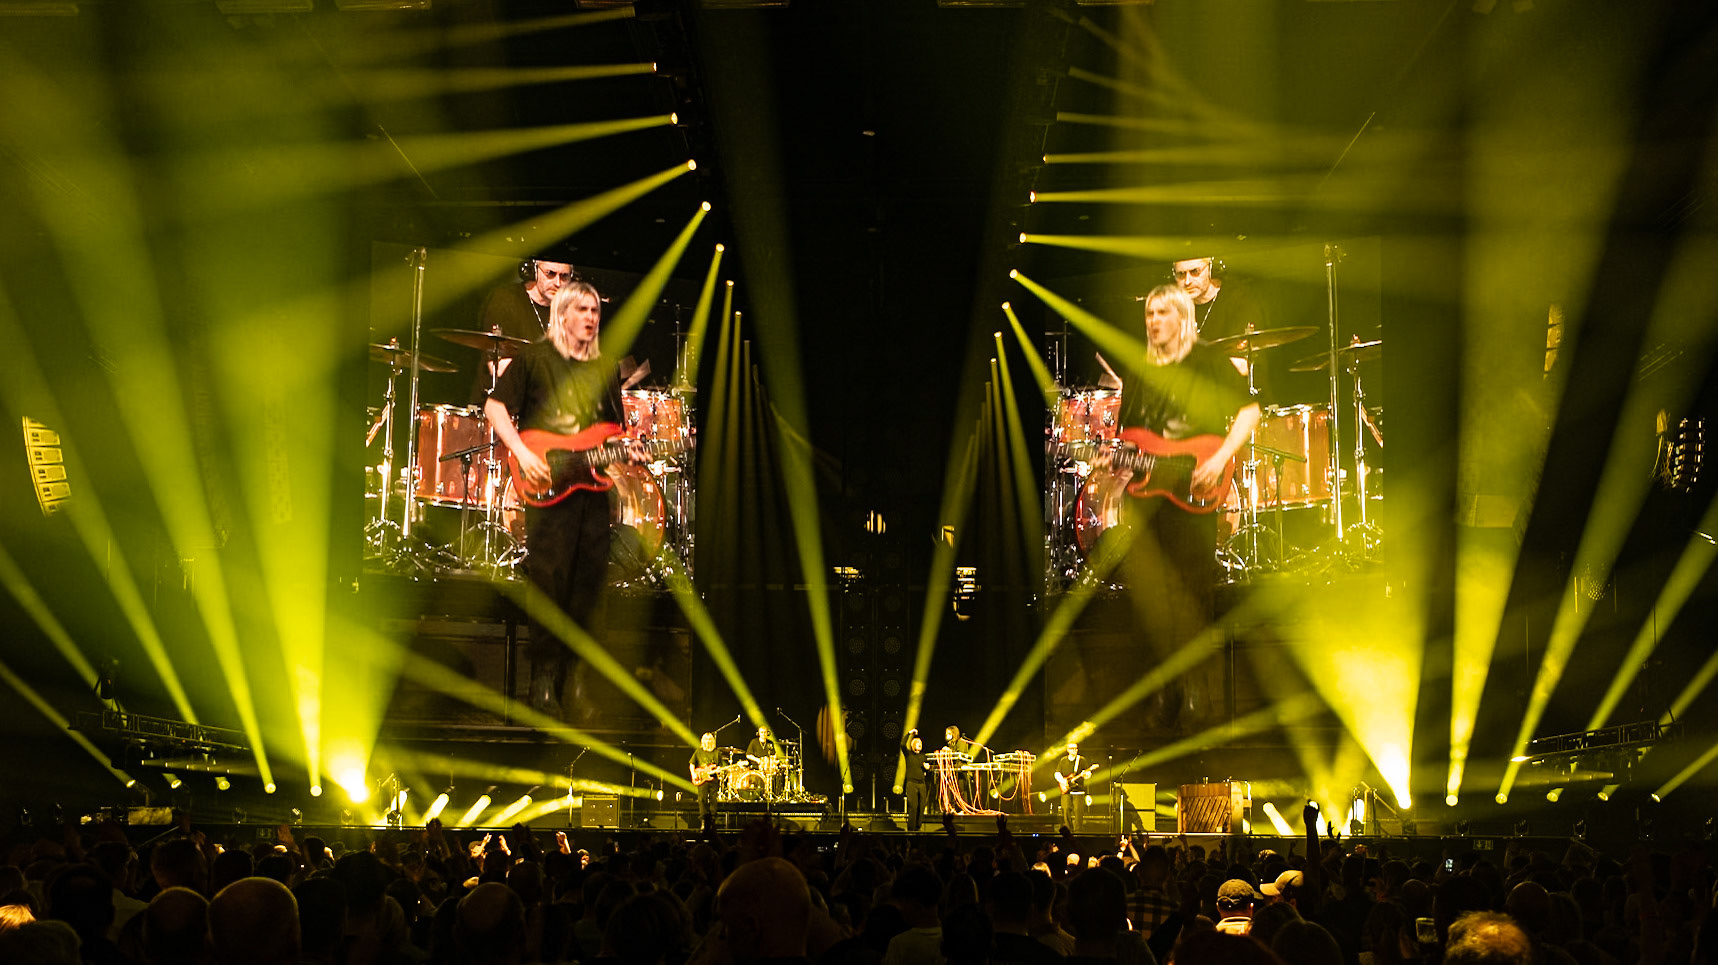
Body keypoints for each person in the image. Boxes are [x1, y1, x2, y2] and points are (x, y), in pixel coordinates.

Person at [1102, 285, 1261, 728]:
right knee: (1152, 593)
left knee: (1192, 590)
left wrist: (1220, 458)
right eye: (1149, 314)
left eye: (1162, 313)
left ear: (1182, 317)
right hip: (1147, 495)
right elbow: (1129, 439)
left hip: (1194, 485)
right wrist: (1110, 461)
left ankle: (1195, 690)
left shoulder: (1207, 360)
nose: (1153, 321)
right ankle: (1163, 690)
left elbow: (1250, 411)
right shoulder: (1138, 369)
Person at [485, 281, 646, 717]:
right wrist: (522, 454)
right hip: (547, 483)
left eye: (595, 311)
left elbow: (612, 432)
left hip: (592, 490)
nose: (591, 318)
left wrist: (629, 450)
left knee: (590, 585)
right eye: (583, 310)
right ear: (563, 314)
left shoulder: (605, 368)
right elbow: (495, 407)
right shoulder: (536, 359)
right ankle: (541, 681)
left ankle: (574, 682)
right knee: (548, 580)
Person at [470, 258, 577, 404]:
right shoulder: (506, 300)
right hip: (502, 405)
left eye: (564, 276)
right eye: (550, 274)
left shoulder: (568, 311)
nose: (558, 283)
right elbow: (501, 367)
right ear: (533, 270)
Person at [1054, 742, 1093, 831]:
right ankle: (1068, 830)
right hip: (1066, 790)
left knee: (1078, 812)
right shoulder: (1063, 760)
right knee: (1066, 810)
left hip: (1079, 791)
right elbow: (1057, 773)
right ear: (1068, 750)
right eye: (1072, 748)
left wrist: (1086, 774)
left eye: (1076, 748)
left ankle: (1078, 832)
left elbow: (1088, 774)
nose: (1074, 750)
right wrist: (1063, 781)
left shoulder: (1082, 760)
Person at [689, 733, 722, 830]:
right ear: (703, 741)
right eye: (706, 739)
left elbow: (719, 766)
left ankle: (713, 820)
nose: (708, 741)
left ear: (713, 741)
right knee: (702, 799)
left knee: (713, 799)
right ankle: (703, 821)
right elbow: (691, 764)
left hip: (713, 779)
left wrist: (719, 770)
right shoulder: (698, 752)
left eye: (710, 739)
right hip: (702, 779)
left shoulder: (717, 752)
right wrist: (693, 774)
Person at [901, 729, 931, 832]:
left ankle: (918, 827)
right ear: (913, 745)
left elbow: (926, 768)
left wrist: (927, 767)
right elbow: (902, 744)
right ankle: (911, 829)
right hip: (911, 783)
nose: (920, 744)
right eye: (918, 743)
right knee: (913, 806)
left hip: (921, 783)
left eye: (921, 743)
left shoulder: (923, 756)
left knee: (922, 806)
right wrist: (910, 733)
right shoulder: (909, 754)